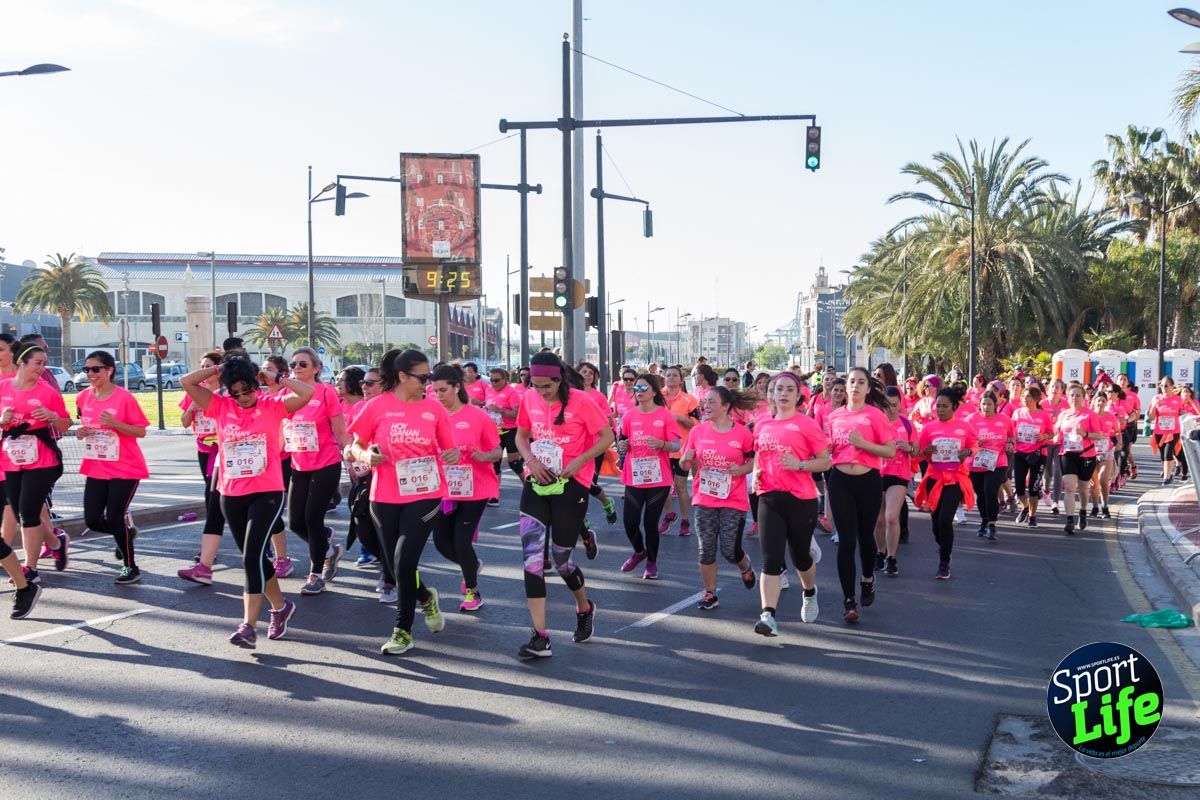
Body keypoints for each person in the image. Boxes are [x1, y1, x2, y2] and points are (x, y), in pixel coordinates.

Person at [182, 357, 310, 647]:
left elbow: (306, 394)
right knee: (256, 560)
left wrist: (272, 377)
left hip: (267, 491)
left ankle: (248, 626)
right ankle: (280, 607)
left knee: (251, 558)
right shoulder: (220, 406)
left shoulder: (272, 405)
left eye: (247, 390)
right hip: (231, 493)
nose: (241, 398)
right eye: (235, 391)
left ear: (256, 385)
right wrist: (218, 370)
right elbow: (186, 382)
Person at [347, 349, 459, 656]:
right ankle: (426, 598)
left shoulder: (434, 410)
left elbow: (451, 448)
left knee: (405, 560)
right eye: (423, 377)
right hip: (384, 494)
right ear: (402, 377)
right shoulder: (377, 406)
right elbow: (353, 446)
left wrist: (453, 454)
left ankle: (402, 631)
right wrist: (365, 456)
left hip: (426, 492)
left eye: (430, 377)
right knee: (394, 566)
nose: (428, 383)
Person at [512, 352, 612, 658]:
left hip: (572, 483)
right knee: (531, 558)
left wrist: (581, 460)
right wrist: (529, 460)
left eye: (547, 387)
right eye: (536, 385)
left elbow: (607, 436)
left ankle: (584, 607)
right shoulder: (529, 398)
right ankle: (540, 636)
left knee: (561, 560)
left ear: (559, 380)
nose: (541, 392)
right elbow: (520, 435)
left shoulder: (582, 401)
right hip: (538, 480)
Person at [751, 371, 831, 636]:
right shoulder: (762, 423)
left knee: (799, 556)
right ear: (770, 394)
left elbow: (825, 461)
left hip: (801, 498)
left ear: (798, 396)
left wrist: (799, 464)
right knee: (771, 559)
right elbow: (760, 453)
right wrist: (756, 474)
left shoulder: (806, 424)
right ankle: (768, 616)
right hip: (769, 496)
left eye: (789, 389)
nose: (783, 393)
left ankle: (809, 592)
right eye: (778, 389)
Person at [825, 367, 895, 623]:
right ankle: (848, 600)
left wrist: (864, 444)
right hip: (840, 480)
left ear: (868, 388)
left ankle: (867, 579)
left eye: (860, 382)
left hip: (868, 480)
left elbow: (889, 451)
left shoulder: (875, 416)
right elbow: (827, 448)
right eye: (851, 381)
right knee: (846, 541)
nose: (854, 386)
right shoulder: (834, 417)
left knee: (865, 537)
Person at [430, 364, 501, 612]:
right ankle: (471, 564)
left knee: (461, 542)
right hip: (443, 489)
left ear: (457, 387)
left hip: (475, 488)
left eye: (443, 390)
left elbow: (497, 451)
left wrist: (483, 456)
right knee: (441, 543)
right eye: (435, 390)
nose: (438, 395)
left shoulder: (478, 416)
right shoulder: (432, 416)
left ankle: (473, 592)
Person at [680, 385, 758, 609]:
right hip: (704, 497)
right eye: (705, 402)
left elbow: (754, 461)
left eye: (711, 402)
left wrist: (740, 470)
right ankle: (710, 593)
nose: (705, 406)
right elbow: (687, 461)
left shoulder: (742, 433)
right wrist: (686, 460)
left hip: (733, 499)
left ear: (726, 407)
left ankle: (744, 566)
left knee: (729, 550)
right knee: (706, 549)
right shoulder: (698, 431)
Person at [75, 351, 150, 584]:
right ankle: (127, 534)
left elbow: (141, 431)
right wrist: (81, 432)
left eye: (95, 369)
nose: (90, 374)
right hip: (96, 465)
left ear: (109, 370)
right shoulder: (83, 397)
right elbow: (84, 425)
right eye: (87, 370)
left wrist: (116, 424)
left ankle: (131, 567)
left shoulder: (124, 398)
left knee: (115, 515)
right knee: (92, 520)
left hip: (125, 466)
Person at [0, 343, 70, 582]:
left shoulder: (47, 391)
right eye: (37, 363)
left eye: (44, 364)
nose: (41, 369)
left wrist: (52, 417)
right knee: (20, 510)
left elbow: (65, 424)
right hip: (10, 459)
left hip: (41, 460)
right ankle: (54, 541)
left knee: (28, 512)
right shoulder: (3, 387)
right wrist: (2, 420)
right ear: (22, 363)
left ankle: (30, 567)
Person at [284, 347, 350, 595]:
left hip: (326, 462)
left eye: (302, 364)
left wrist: (352, 459)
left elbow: (340, 430)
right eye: (293, 365)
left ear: (316, 368)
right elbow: (283, 430)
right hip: (299, 464)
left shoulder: (326, 392)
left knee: (313, 518)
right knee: (296, 522)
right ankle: (329, 548)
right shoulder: (286, 394)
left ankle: (316, 574)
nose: (297, 369)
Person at [615, 373, 680, 579]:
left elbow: (677, 445)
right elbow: (622, 442)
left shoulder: (664, 415)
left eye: (644, 388)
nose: (639, 392)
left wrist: (661, 444)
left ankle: (651, 563)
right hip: (634, 476)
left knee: (650, 523)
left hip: (658, 478)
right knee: (630, 523)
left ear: (653, 391)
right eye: (637, 388)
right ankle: (639, 552)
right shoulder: (629, 416)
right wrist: (622, 447)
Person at [177, 351, 229, 584]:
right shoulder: (194, 393)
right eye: (201, 365)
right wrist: (193, 407)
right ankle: (208, 554)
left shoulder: (226, 394)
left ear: (217, 370)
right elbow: (185, 422)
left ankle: (208, 555)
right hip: (203, 448)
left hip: (223, 450)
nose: (203, 371)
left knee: (216, 497)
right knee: (211, 496)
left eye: (208, 366)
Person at [914, 387, 976, 579]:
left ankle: (944, 563)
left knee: (944, 520)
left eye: (944, 406)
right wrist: (926, 451)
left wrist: (968, 452)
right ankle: (945, 547)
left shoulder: (964, 427)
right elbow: (918, 453)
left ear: (954, 407)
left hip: (956, 478)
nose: (940, 410)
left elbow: (974, 445)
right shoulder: (929, 428)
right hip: (935, 477)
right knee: (935, 524)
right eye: (937, 406)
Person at [875, 386, 915, 576]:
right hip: (876, 474)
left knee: (891, 517)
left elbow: (917, 450)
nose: (891, 409)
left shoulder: (906, 424)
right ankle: (880, 553)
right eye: (887, 405)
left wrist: (908, 447)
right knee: (879, 520)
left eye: (895, 405)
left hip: (898, 474)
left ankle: (892, 557)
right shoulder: (874, 423)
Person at [1055, 382, 1103, 535]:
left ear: (1084, 398)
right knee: (1069, 487)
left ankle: (1082, 512)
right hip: (1068, 454)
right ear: (1067, 397)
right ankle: (1069, 519)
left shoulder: (1090, 415)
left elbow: (1098, 435)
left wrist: (1085, 434)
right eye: (1072, 395)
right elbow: (1057, 431)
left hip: (1086, 455)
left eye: (1078, 395)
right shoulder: (1063, 414)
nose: (1074, 398)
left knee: (1083, 489)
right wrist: (1056, 437)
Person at [967, 390, 1014, 541]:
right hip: (976, 462)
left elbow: (1012, 437)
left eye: (989, 404)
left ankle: (992, 525)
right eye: (983, 404)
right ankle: (984, 520)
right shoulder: (971, 419)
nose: (986, 407)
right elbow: (964, 439)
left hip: (998, 461)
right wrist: (974, 443)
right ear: (979, 405)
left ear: (995, 405)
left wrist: (1009, 444)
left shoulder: (1005, 420)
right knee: (980, 493)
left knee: (990, 490)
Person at [658, 365, 699, 536]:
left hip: (682, 449)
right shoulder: (656, 397)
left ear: (681, 380)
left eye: (675, 375)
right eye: (668, 375)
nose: (671, 378)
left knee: (680, 486)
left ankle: (685, 520)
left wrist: (680, 418)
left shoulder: (690, 400)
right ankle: (669, 515)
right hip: (662, 448)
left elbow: (697, 425)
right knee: (663, 486)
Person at [577, 361, 619, 525]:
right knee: (578, 483)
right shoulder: (570, 394)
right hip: (574, 446)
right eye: (584, 371)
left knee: (587, 483)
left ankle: (604, 504)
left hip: (595, 446)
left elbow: (609, 421)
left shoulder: (598, 397)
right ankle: (585, 515)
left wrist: (591, 420)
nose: (587, 375)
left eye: (591, 373)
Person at [1011, 386, 1053, 528]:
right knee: (1019, 488)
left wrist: (1044, 436)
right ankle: (1025, 506)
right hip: (1020, 453)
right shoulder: (1017, 413)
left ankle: (1032, 516)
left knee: (1033, 489)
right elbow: (1011, 431)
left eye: (1028, 396)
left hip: (1038, 454)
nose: (1025, 399)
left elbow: (1052, 433)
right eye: (1024, 396)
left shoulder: (1043, 415)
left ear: (1036, 399)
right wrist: (1013, 438)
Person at [485, 368, 525, 499]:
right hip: (495, 430)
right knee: (494, 461)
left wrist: (500, 410)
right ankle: (494, 495)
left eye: (496, 380)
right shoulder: (489, 390)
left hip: (511, 430)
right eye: (491, 380)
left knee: (514, 463)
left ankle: (528, 486)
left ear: (505, 380)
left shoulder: (511, 392)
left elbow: (516, 414)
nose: (493, 383)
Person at [1089, 391, 1121, 519]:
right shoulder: (1089, 416)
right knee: (1094, 482)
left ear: (1106, 403)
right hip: (1091, 451)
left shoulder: (1111, 417)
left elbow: (1117, 431)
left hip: (1107, 451)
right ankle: (1095, 507)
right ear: (1094, 402)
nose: (1101, 403)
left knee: (1103, 480)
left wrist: (1119, 442)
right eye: (1098, 400)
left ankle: (1105, 506)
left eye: (1103, 400)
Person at [1149, 375, 1184, 487]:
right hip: (1160, 431)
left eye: (1166, 385)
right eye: (1162, 385)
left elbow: (1182, 414)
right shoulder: (1156, 398)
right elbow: (1151, 416)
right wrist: (1153, 407)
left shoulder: (1178, 399)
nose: (1164, 387)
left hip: (1173, 431)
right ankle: (1169, 472)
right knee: (1163, 455)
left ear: (1172, 386)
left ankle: (1166, 478)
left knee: (1169, 453)